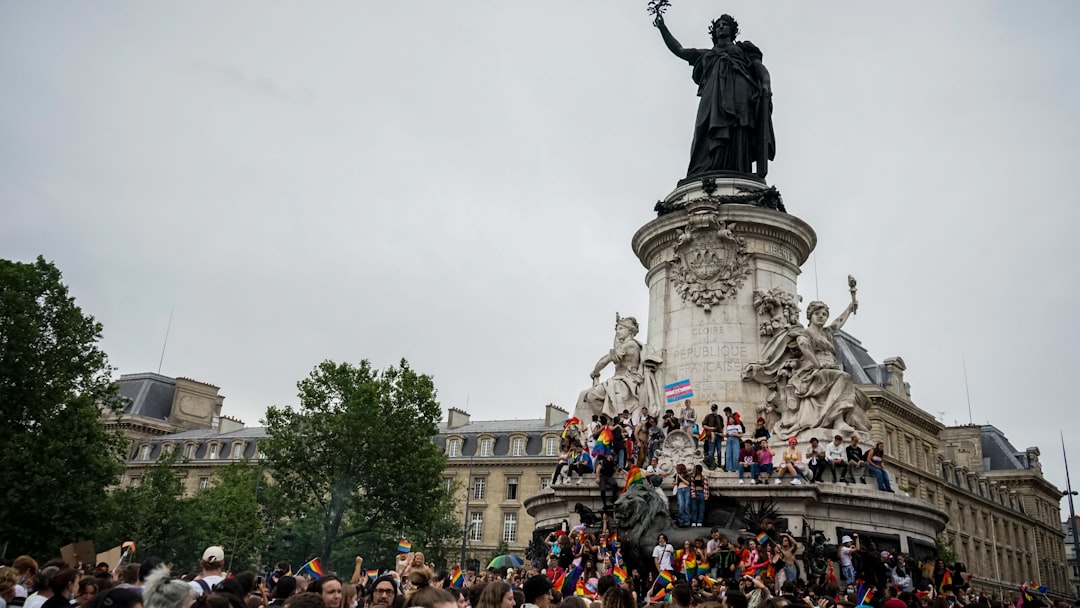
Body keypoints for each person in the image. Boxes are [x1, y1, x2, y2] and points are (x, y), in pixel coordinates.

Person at [652, 12, 774, 178]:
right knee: (705, 127)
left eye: (724, 24)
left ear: (732, 29)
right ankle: (706, 168)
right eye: (717, 26)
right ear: (714, 32)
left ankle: (739, 168)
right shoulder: (705, 54)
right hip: (712, 98)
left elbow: (760, 69)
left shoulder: (744, 49)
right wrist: (663, 28)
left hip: (740, 95)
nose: (721, 27)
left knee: (738, 128)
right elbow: (680, 50)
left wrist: (766, 84)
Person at [743, 300, 870, 436]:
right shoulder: (805, 333)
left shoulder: (827, 332)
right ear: (810, 316)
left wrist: (850, 309)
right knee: (843, 377)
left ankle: (840, 419)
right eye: (817, 313)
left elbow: (838, 322)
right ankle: (838, 420)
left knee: (852, 389)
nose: (821, 316)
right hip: (810, 371)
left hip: (828, 369)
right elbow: (803, 346)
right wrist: (817, 364)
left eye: (824, 314)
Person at [575, 316, 662, 420]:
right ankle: (606, 422)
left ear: (629, 331)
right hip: (619, 379)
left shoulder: (629, 345)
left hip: (626, 381)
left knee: (592, 395)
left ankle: (607, 422)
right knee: (585, 395)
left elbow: (605, 360)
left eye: (621, 329)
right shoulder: (627, 344)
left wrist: (595, 372)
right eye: (617, 329)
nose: (618, 332)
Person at [701, 404, 723, 469]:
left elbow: (722, 427)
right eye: (712, 409)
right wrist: (711, 428)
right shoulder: (708, 416)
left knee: (719, 451)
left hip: (719, 435)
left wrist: (722, 435)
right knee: (711, 451)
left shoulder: (720, 417)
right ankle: (711, 465)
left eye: (714, 409)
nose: (713, 410)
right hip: (711, 434)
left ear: (717, 409)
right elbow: (704, 425)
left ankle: (719, 465)